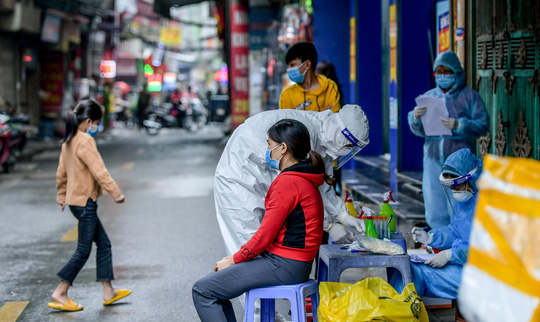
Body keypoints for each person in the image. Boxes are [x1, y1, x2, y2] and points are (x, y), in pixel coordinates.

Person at [193, 119, 327, 321]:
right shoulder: (305, 178)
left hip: (284, 263)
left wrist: (233, 259)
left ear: (283, 148)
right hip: (296, 263)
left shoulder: (288, 182)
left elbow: (264, 235)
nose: (267, 150)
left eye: (269, 144)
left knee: (203, 290)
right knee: (216, 290)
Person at [215, 105, 369, 256]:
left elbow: (321, 186)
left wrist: (343, 215)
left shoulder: (323, 141)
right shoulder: (306, 132)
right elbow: (298, 188)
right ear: (340, 132)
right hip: (239, 179)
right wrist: (329, 226)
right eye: (349, 145)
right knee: (248, 248)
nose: (348, 150)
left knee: (264, 248)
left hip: (264, 180)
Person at [49, 100, 131, 311]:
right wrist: (116, 193)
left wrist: (61, 194)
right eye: (95, 123)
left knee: (104, 244)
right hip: (85, 202)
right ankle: (60, 291)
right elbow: (99, 170)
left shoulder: (69, 139)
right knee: (83, 250)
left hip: (75, 202)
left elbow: (61, 171)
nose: (95, 127)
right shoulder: (84, 140)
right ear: (88, 121)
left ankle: (108, 291)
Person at [408, 50, 488, 229]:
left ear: (457, 73)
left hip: (459, 159)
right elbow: (418, 130)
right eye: (439, 72)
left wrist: (459, 125)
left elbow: (482, 125)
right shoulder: (428, 97)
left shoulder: (470, 97)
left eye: (447, 72)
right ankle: (439, 241)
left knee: (460, 200)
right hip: (433, 157)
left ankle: (461, 243)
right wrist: (415, 118)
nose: (442, 76)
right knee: (434, 199)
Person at [391, 148, 482, 299]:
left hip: (483, 274)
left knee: (415, 273)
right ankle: (394, 311)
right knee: (407, 268)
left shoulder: (488, 205)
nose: (454, 192)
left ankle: (397, 313)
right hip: (464, 265)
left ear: (471, 179)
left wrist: (450, 255)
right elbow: (455, 231)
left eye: (457, 187)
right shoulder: (466, 202)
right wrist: (431, 238)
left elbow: (488, 248)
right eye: (451, 188)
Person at [279, 42, 341, 112]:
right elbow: (287, 122)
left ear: (307, 64)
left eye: (292, 65)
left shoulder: (330, 87)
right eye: (288, 66)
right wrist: (324, 114)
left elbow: (334, 119)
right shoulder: (287, 95)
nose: (289, 69)